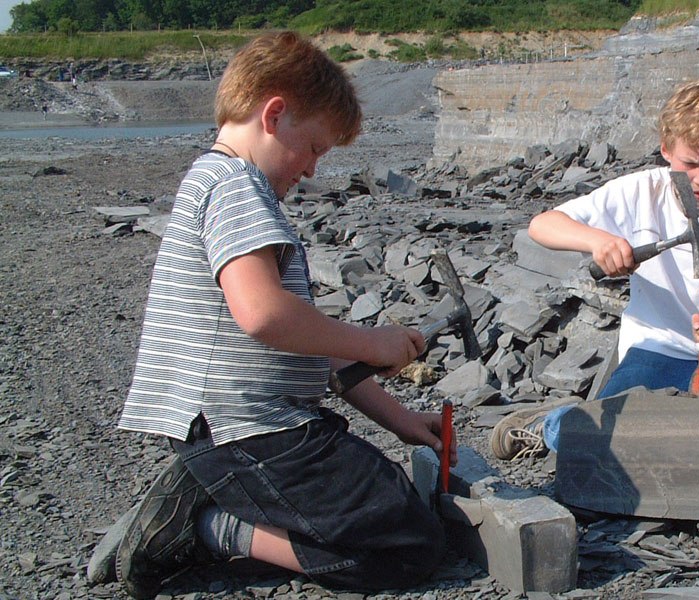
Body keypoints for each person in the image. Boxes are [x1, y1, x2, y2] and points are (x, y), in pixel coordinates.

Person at [101, 32, 451, 599]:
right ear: (276, 113)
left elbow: (307, 343)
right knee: (407, 542)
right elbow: (264, 315)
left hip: (243, 425)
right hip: (247, 426)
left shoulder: (218, 182)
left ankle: (215, 493)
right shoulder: (236, 185)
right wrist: (373, 342)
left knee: (388, 497)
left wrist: (400, 421)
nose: (312, 169)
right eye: (314, 147)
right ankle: (210, 527)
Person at [490, 79, 699, 461]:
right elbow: (542, 225)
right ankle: (554, 425)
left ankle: (663, 437)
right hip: (653, 356)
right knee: (602, 440)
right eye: (690, 164)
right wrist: (598, 242)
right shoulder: (638, 193)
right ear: (666, 150)